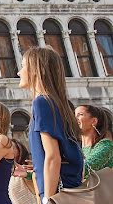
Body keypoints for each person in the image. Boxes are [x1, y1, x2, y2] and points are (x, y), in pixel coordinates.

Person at [18, 47, 83, 203]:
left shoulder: (42, 103)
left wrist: (47, 198)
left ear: (35, 70)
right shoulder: (59, 104)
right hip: (69, 189)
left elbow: (53, 156)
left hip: (57, 193)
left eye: (23, 66)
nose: (19, 72)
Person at [75, 104, 113, 177]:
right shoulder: (78, 145)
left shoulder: (105, 146)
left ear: (94, 121)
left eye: (80, 114)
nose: (74, 118)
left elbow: (84, 169)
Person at [9, 139, 38, 204]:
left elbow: (36, 180)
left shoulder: (27, 168)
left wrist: (28, 175)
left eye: (11, 147)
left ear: (19, 151)